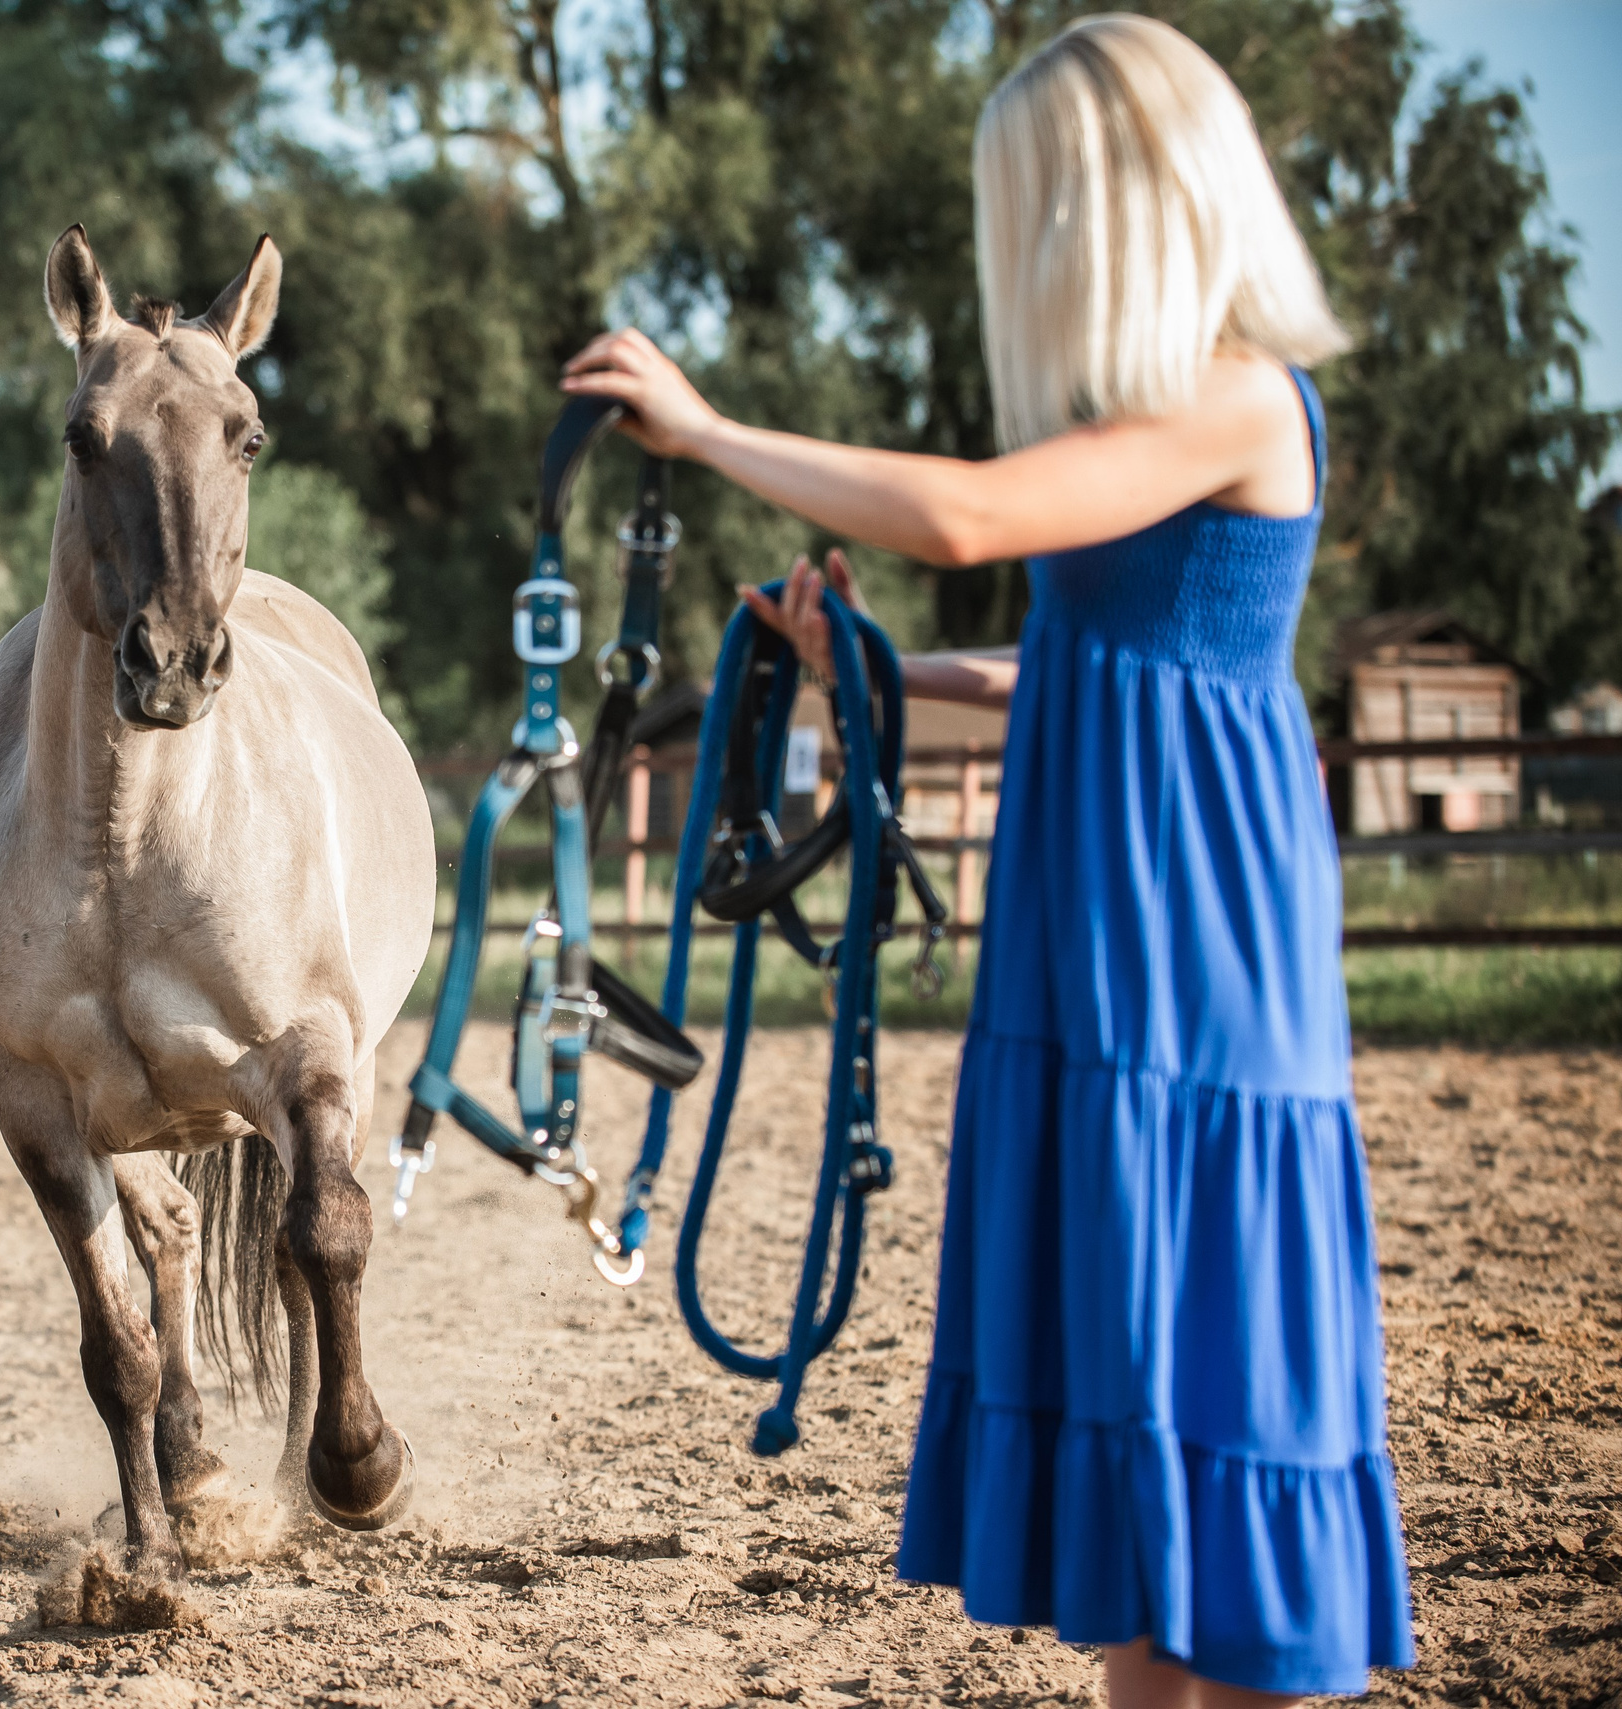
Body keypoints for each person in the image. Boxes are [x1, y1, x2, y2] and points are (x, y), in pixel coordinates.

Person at [560, 14, 1413, 1706]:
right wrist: (863, 672)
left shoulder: (1243, 395)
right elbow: (1083, 656)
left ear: (1111, 213)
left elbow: (963, 516)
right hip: (1106, 905)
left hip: (1189, 917)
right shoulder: (1158, 430)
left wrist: (708, 430)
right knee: (1120, 1310)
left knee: (1199, 1316)